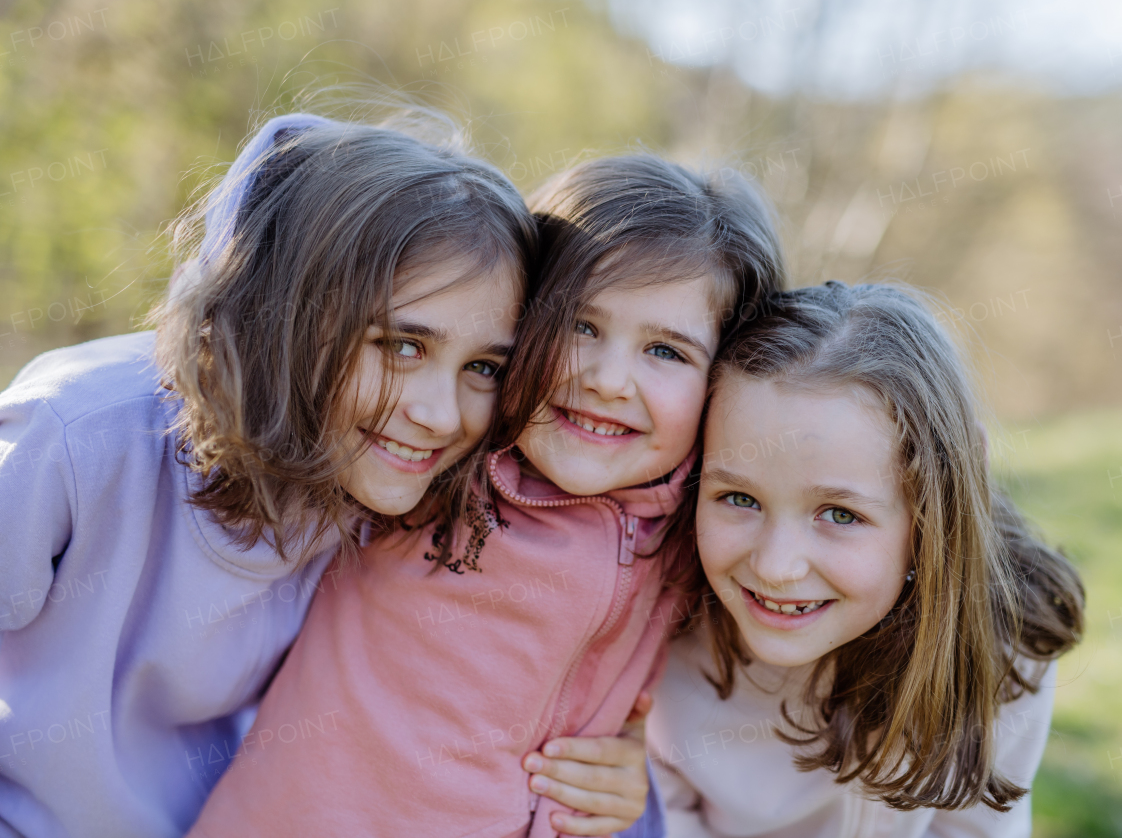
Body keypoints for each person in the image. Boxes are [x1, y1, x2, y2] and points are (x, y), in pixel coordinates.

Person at [187, 155, 787, 838]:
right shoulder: (438, 472)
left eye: (667, 352)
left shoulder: (697, 530)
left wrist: (627, 777)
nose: (609, 379)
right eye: (581, 326)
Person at [0, 111, 538, 838]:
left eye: (483, 367)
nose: (442, 415)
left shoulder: (398, 501)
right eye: (402, 345)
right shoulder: (80, 434)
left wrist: (617, 754)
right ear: (284, 314)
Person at [648, 281, 1086, 837]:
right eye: (739, 499)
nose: (776, 567)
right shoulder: (665, 626)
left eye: (838, 514)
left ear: (938, 504)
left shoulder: (1004, 641)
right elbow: (667, 818)